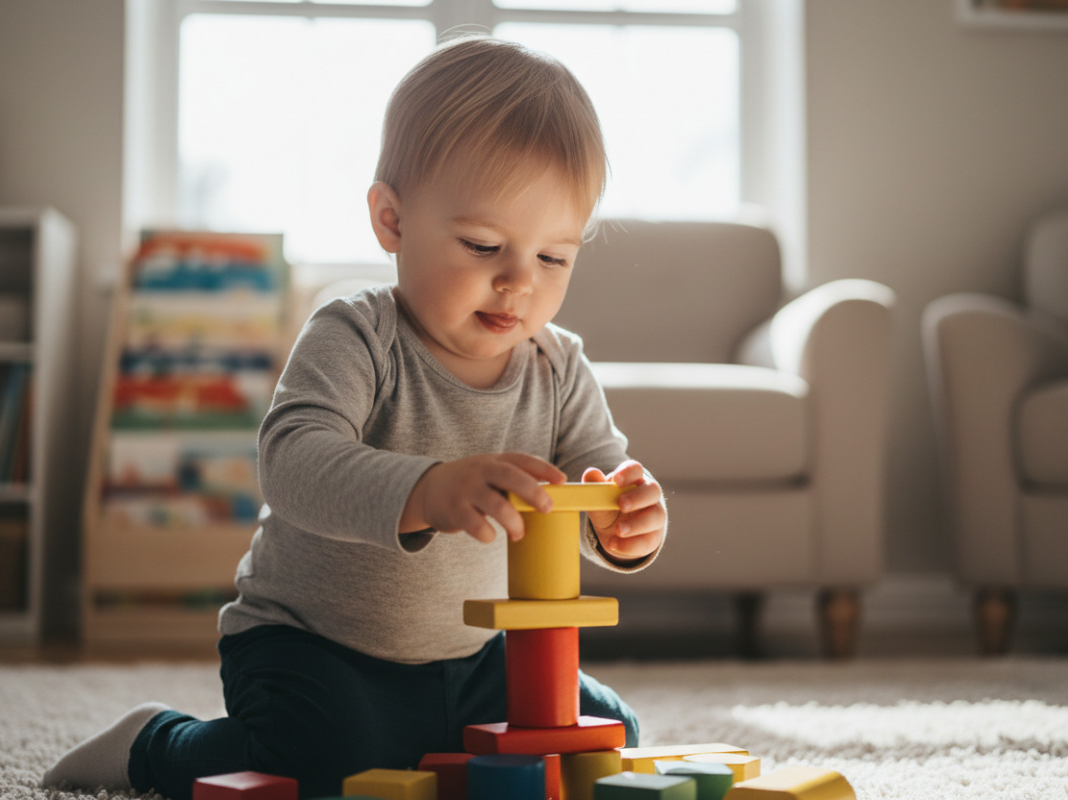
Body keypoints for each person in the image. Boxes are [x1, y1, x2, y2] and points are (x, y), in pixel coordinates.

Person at [43, 34, 667, 800]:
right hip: (314, 646)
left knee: (605, 745)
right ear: (392, 221)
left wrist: (622, 521)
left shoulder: (559, 365)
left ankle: (431, 742)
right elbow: (293, 461)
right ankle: (153, 743)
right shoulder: (356, 334)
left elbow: (585, 489)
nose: (517, 283)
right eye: (483, 245)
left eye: (553, 258)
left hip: (474, 657)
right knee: (322, 765)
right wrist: (428, 490)